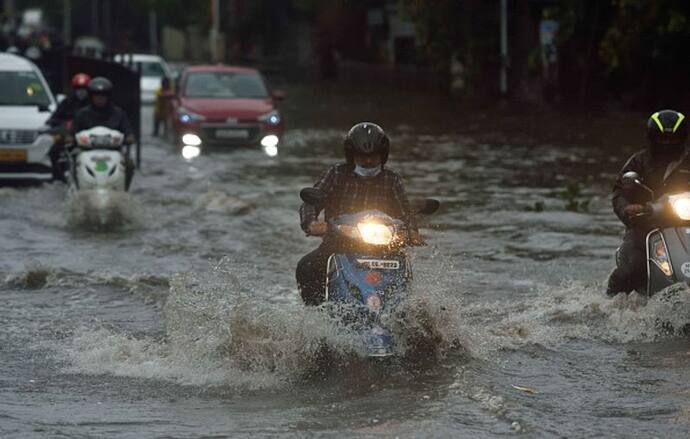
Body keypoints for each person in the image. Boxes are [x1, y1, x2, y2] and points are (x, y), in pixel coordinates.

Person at [296, 122, 422, 305]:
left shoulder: (392, 179)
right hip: (339, 242)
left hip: (385, 245)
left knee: (406, 269)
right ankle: (316, 315)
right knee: (307, 266)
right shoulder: (337, 173)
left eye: (374, 156)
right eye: (363, 157)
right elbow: (311, 201)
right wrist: (312, 224)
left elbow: (405, 211)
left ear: (383, 155)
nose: (369, 161)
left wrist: (412, 231)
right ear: (351, 155)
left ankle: (408, 313)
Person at [606, 109, 689, 296]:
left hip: (686, 224)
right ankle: (610, 305)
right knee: (633, 268)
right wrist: (628, 208)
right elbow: (619, 192)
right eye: (662, 139)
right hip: (647, 225)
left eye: (673, 140)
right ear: (652, 138)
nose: (667, 144)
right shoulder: (638, 162)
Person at [71, 77, 136, 188]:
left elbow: (129, 133)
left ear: (108, 97)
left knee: (129, 165)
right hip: (86, 151)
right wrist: (70, 139)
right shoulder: (82, 114)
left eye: (103, 96)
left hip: (114, 151)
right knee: (74, 164)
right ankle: (77, 189)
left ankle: (124, 190)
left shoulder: (119, 114)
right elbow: (72, 132)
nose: (100, 99)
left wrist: (129, 138)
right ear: (91, 97)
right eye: (97, 96)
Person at [46, 73, 91, 181]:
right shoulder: (67, 102)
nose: (81, 91)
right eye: (78, 88)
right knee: (53, 152)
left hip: (88, 137)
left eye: (84, 88)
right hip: (68, 136)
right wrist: (65, 123)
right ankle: (58, 177)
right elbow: (53, 119)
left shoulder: (93, 104)